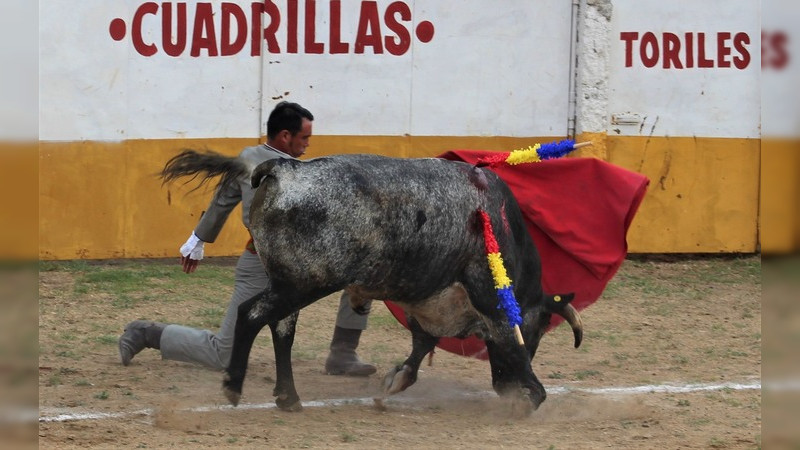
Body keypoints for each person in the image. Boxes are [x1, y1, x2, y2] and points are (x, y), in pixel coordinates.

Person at [118, 101, 376, 377]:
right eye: (305, 137)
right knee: (223, 356)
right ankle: (147, 333)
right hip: (261, 266)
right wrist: (198, 239)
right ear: (285, 136)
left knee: (363, 276)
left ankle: (343, 353)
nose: (308, 144)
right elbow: (224, 200)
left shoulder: (303, 169)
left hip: (300, 264)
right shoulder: (252, 161)